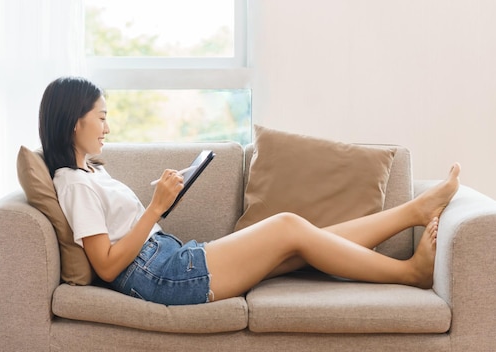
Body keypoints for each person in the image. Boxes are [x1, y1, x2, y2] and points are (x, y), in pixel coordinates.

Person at [39, 76, 461, 306]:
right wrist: (155, 208)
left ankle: (412, 211)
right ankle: (411, 272)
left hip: (167, 262)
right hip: (163, 276)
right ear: (76, 122)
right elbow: (108, 267)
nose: (108, 127)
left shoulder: (89, 173)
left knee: (302, 245)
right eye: (102, 117)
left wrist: (161, 204)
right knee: (288, 226)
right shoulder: (72, 183)